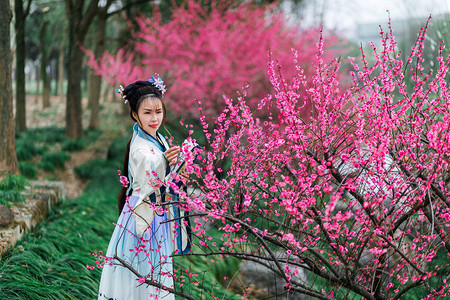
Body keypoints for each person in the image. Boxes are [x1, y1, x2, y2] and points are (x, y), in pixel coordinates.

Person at [98, 76, 191, 300]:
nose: (154, 118)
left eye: (158, 111)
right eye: (147, 112)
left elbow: (165, 176)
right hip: (142, 216)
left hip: (158, 216)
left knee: (155, 277)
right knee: (140, 278)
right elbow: (149, 169)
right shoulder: (139, 147)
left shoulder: (160, 139)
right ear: (135, 114)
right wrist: (165, 163)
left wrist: (178, 174)